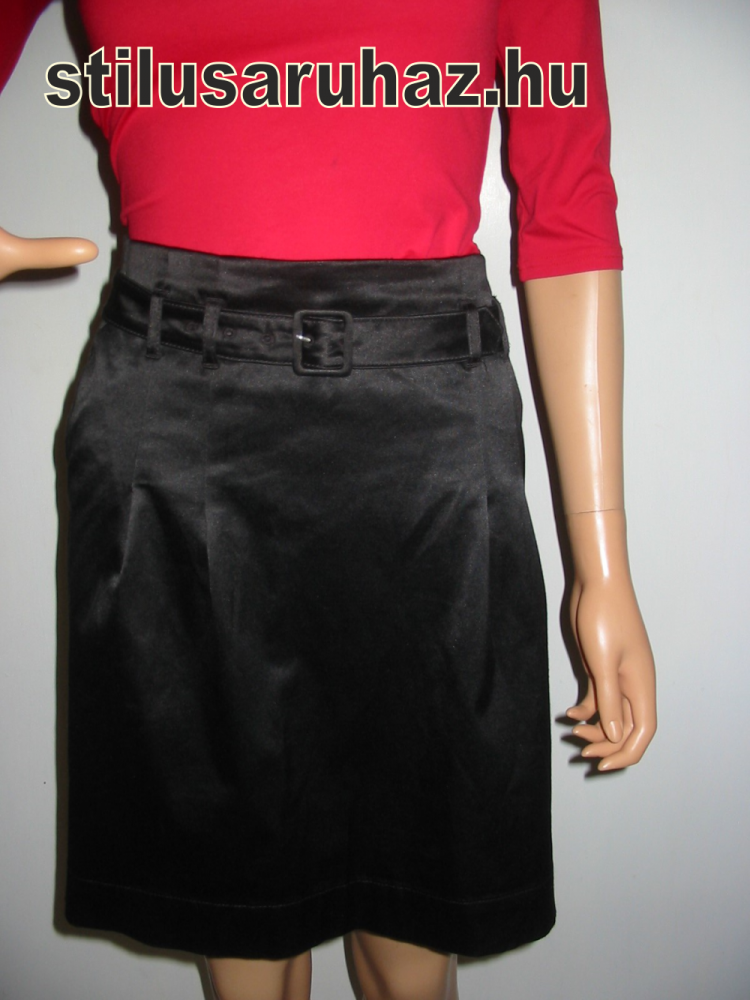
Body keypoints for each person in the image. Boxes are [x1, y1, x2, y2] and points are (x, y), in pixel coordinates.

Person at [1, 2, 657, 999]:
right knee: (239, 924)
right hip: (175, 423)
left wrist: (601, 559)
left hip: (422, 425)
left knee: (412, 928)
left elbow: (567, 202)